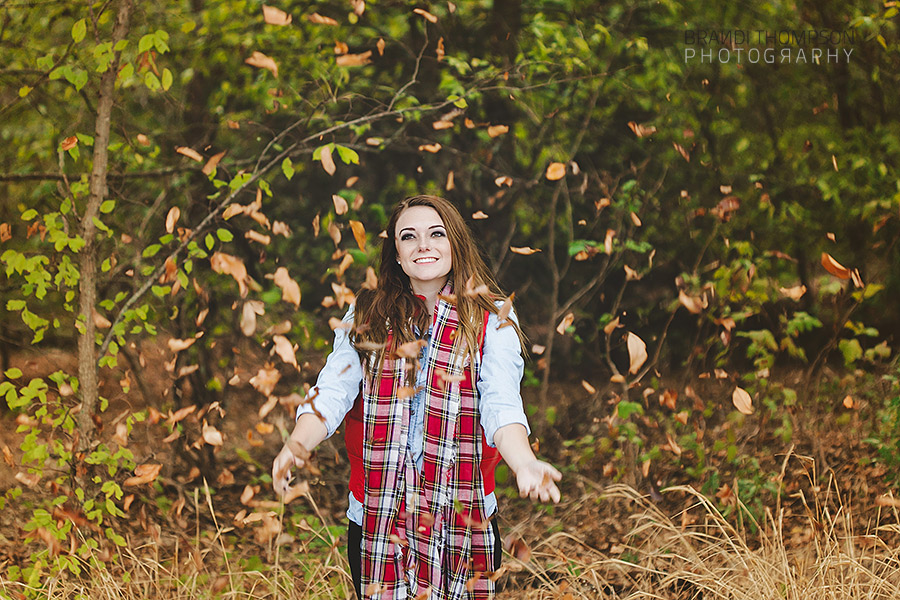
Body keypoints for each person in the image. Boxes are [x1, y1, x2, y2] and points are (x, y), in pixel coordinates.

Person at [272, 195, 561, 600]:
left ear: (455, 243)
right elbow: (333, 392)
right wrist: (296, 443)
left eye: (436, 233)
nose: (423, 244)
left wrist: (525, 462)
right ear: (397, 255)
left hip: (464, 516)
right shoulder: (367, 317)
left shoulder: (490, 318)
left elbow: (501, 404)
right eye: (409, 237)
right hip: (378, 517)